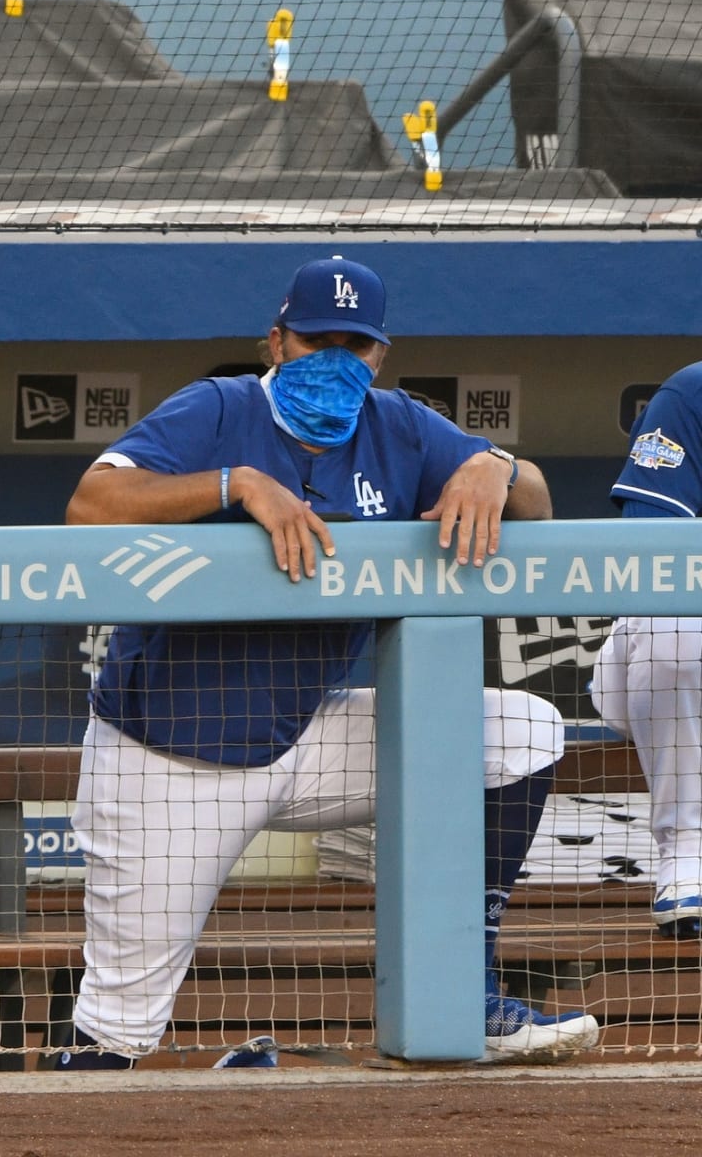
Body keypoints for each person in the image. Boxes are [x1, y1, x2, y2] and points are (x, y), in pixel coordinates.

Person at [57, 255, 600, 1068]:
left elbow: (537, 504)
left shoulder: (401, 425)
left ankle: (464, 987)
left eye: (358, 343)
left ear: (382, 354)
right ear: (276, 340)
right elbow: (89, 508)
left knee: (521, 729)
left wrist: (498, 465)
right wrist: (239, 484)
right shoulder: (217, 408)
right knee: (114, 1040)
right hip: (165, 760)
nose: (336, 359)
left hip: (304, 740)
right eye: (317, 339)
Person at [591, 361, 702, 939]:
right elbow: (653, 551)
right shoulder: (693, 392)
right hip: (669, 656)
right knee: (673, 624)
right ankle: (686, 850)